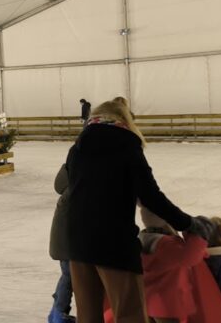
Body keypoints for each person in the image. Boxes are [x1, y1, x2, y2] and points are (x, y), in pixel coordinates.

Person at [65, 99, 208, 323]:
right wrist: (187, 223)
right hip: (112, 241)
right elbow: (150, 196)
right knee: (129, 313)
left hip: (76, 240)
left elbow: (67, 188)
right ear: (124, 119)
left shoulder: (77, 148)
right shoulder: (127, 144)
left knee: (88, 315)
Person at [138, 206, 213, 323]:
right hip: (168, 303)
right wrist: (197, 235)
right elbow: (189, 257)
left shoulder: (142, 241)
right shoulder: (166, 244)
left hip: (150, 299)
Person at [48, 164, 76, 323]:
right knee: (69, 278)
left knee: (67, 276)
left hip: (63, 243)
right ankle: (59, 313)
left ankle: (56, 312)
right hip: (68, 244)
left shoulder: (69, 188)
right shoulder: (75, 192)